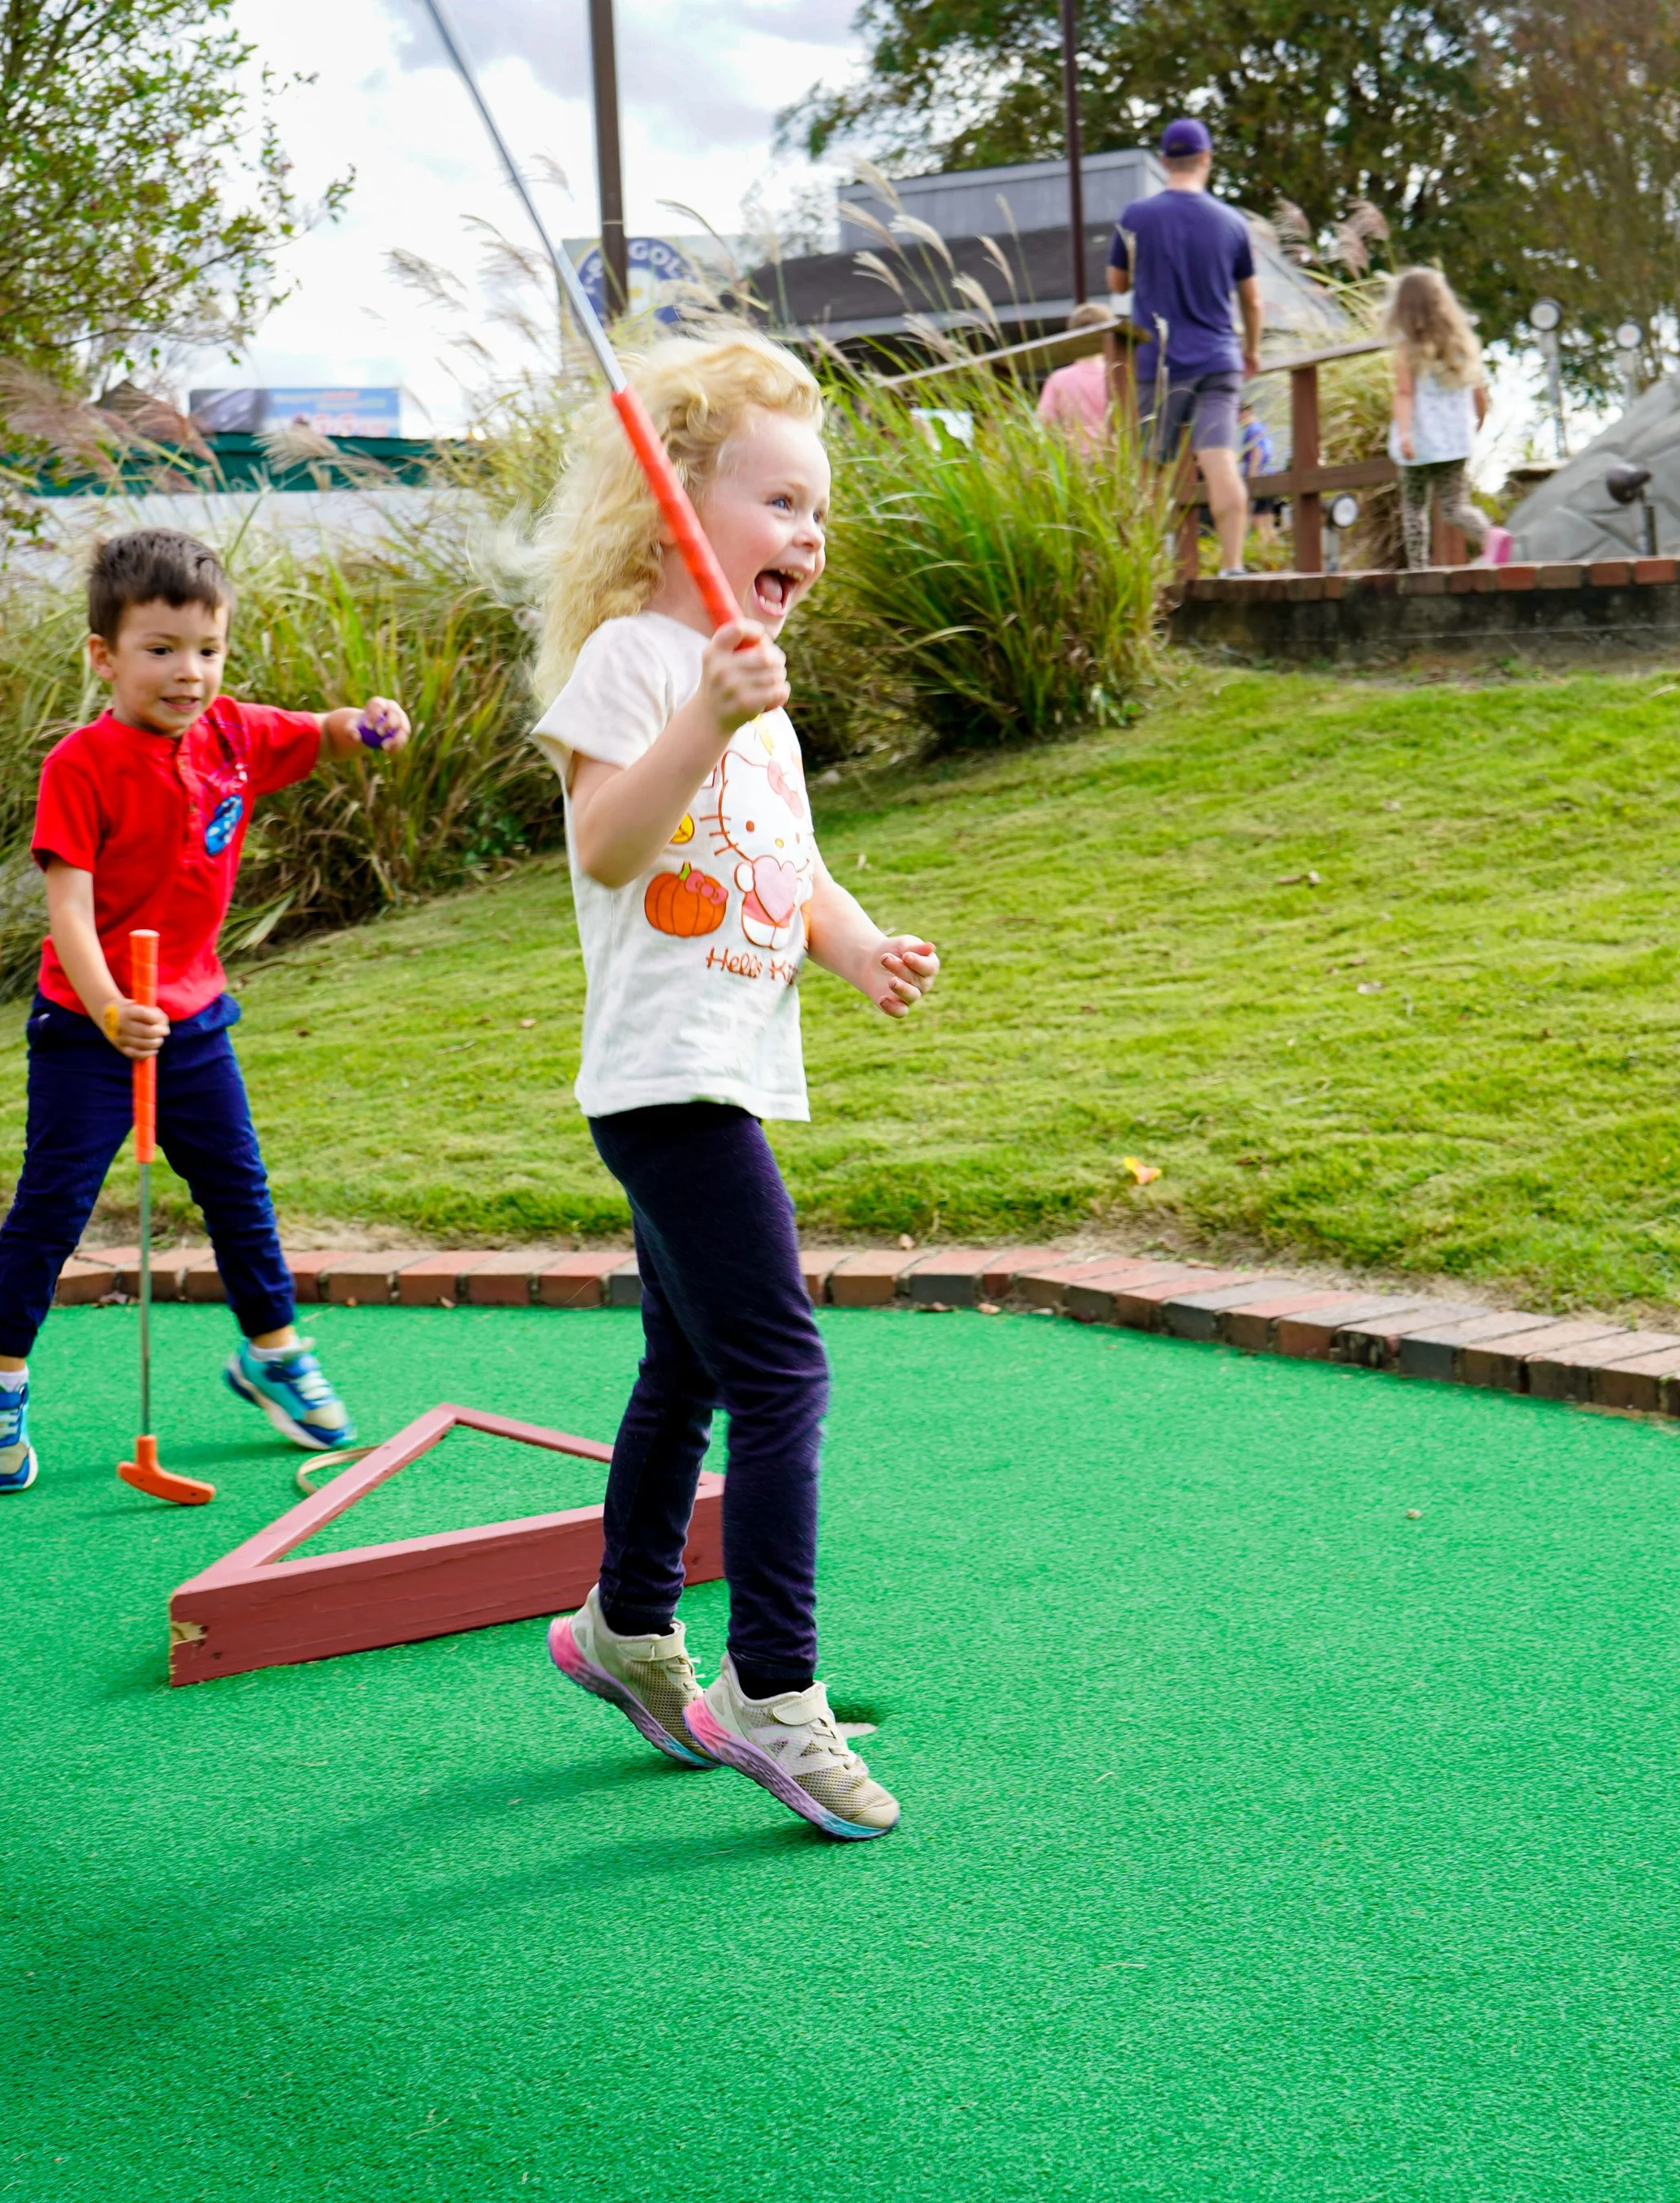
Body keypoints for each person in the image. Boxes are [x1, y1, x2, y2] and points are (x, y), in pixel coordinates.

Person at [530, 329, 939, 1842]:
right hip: (662, 1081)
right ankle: (774, 1693)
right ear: (675, 508)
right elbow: (610, 843)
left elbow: (788, 866)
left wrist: (858, 949)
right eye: (778, 504)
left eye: (816, 514)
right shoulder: (638, 666)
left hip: (724, 1070)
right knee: (784, 1368)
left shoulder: (753, 694)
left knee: (690, 1365)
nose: (809, 536)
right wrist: (706, 709)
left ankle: (629, 1630)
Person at [0, 528, 411, 1493]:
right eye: (159, 650)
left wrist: (366, 722)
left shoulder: (234, 736)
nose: (188, 672)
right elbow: (67, 908)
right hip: (88, 1029)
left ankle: (273, 1355)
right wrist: (112, 1005)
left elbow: (321, 731)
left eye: (206, 650)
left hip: (195, 1023)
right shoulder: (80, 766)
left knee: (239, 1193)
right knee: (52, 1209)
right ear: (103, 657)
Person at [1106, 117, 1263, 578]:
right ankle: (1233, 566)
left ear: (1163, 162)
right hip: (1219, 359)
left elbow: (1117, 282)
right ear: (1206, 160)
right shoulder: (1232, 222)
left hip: (1160, 362)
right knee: (1220, 458)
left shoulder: (1137, 215)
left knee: (1150, 471)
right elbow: (1252, 300)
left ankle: (1147, 569)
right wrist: (1250, 350)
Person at [1382, 265, 1514, 568]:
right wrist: (1478, 421)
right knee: (1454, 505)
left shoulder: (1408, 349)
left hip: (1419, 440)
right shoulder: (1461, 345)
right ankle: (1490, 535)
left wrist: (1404, 434)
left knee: (1414, 505)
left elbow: (1404, 393)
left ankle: (1418, 566)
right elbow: (1478, 391)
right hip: (1455, 439)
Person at [1036, 300, 1119, 448]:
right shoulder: (1119, 376)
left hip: (1074, 463)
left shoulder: (1058, 379)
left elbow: (1044, 423)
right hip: (1116, 460)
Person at [1239, 398, 1279, 544]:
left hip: (1259, 477)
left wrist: (1252, 473)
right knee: (1267, 517)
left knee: (1258, 519)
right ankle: (1273, 551)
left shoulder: (1252, 430)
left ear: (1245, 413)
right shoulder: (1260, 428)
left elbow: (1257, 451)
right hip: (1269, 475)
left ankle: (1265, 550)